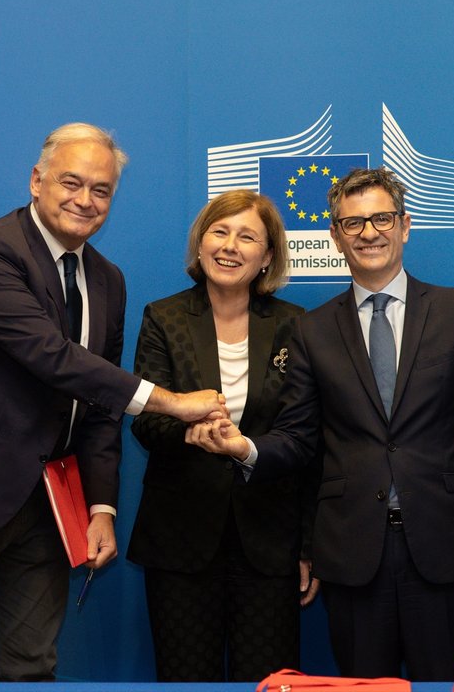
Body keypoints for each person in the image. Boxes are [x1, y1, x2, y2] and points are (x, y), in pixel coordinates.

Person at [0, 123, 225, 682]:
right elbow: (49, 355)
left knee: (32, 670)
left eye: (102, 190)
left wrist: (101, 508)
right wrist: (169, 402)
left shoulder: (108, 281)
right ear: (36, 181)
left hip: (48, 510)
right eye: (72, 182)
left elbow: (99, 406)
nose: (85, 200)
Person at [187, 167, 454, 681]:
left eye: (381, 219)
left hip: (443, 547)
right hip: (352, 554)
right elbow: (299, 440)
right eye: (353, 224)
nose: (368, 233)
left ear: (405, 225)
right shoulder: (310, 330)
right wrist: (244, 448)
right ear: (334, 236)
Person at [127, 190, 320, 682]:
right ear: (201, 242)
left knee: (269, 681)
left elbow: (306, 441)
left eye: (247, 236)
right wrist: (188, 433)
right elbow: (146, 418)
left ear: (267, 256)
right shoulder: (163, 317)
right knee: (185, 677)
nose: (230, 246)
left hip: (269, 542)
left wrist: (307, 547)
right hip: (180, 540)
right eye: (220, 231)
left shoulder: (295, 325)